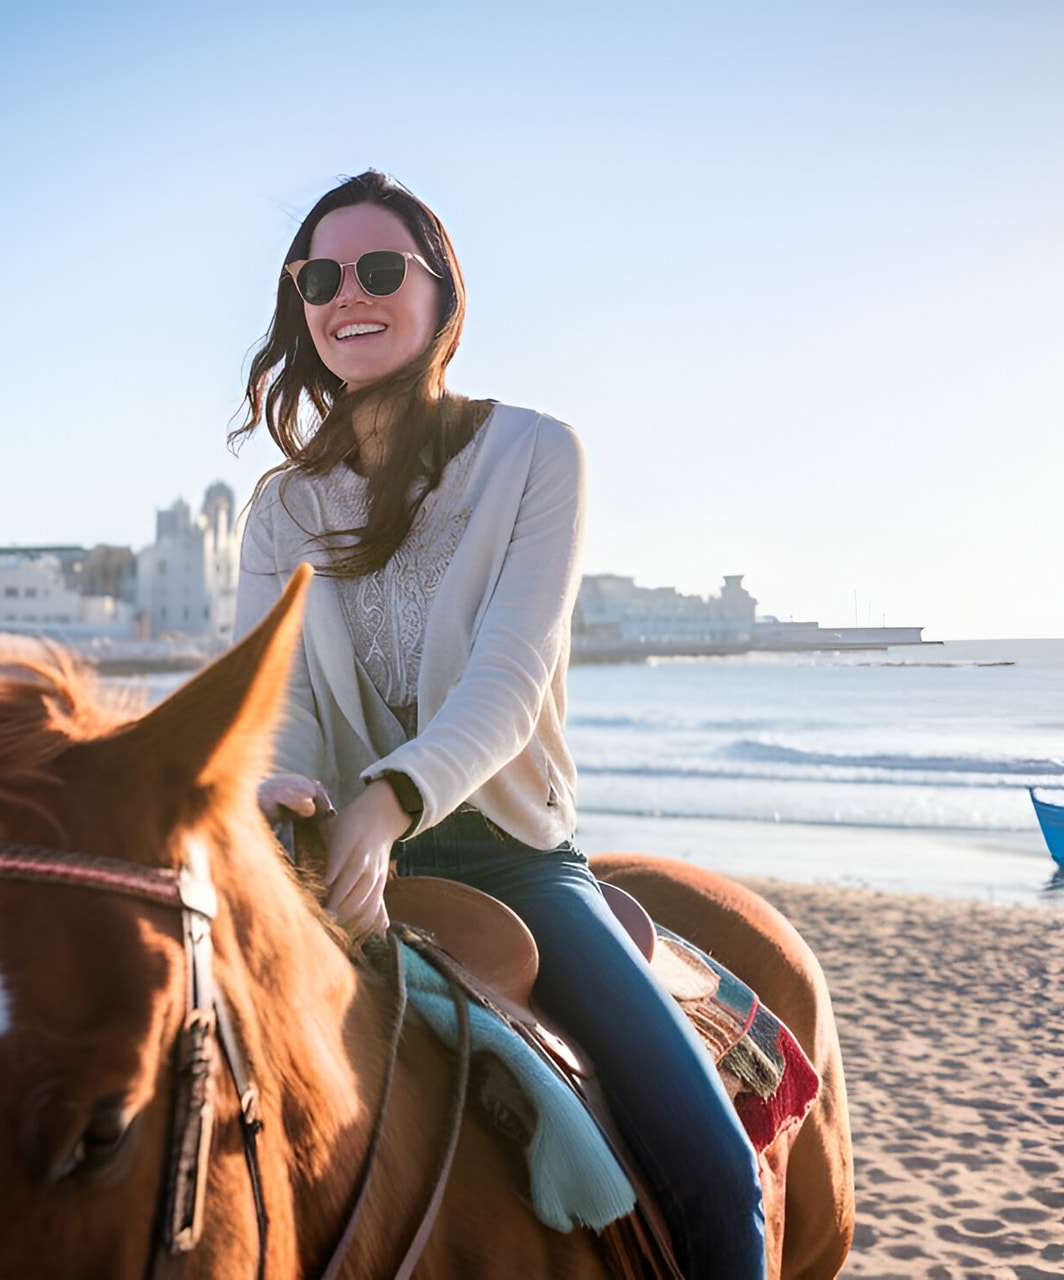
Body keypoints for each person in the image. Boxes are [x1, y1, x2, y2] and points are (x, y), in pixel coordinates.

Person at [230, 170, 765, 1278]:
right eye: (320, 278)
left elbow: (509, 685)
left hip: (511, 861)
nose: (348, 294)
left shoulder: (535, 453)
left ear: (441, 293)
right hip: (320, 861)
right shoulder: (279, 507)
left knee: (717, 1174)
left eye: (381, 269)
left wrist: (386, 806)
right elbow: (271, 697)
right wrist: (281, 786)